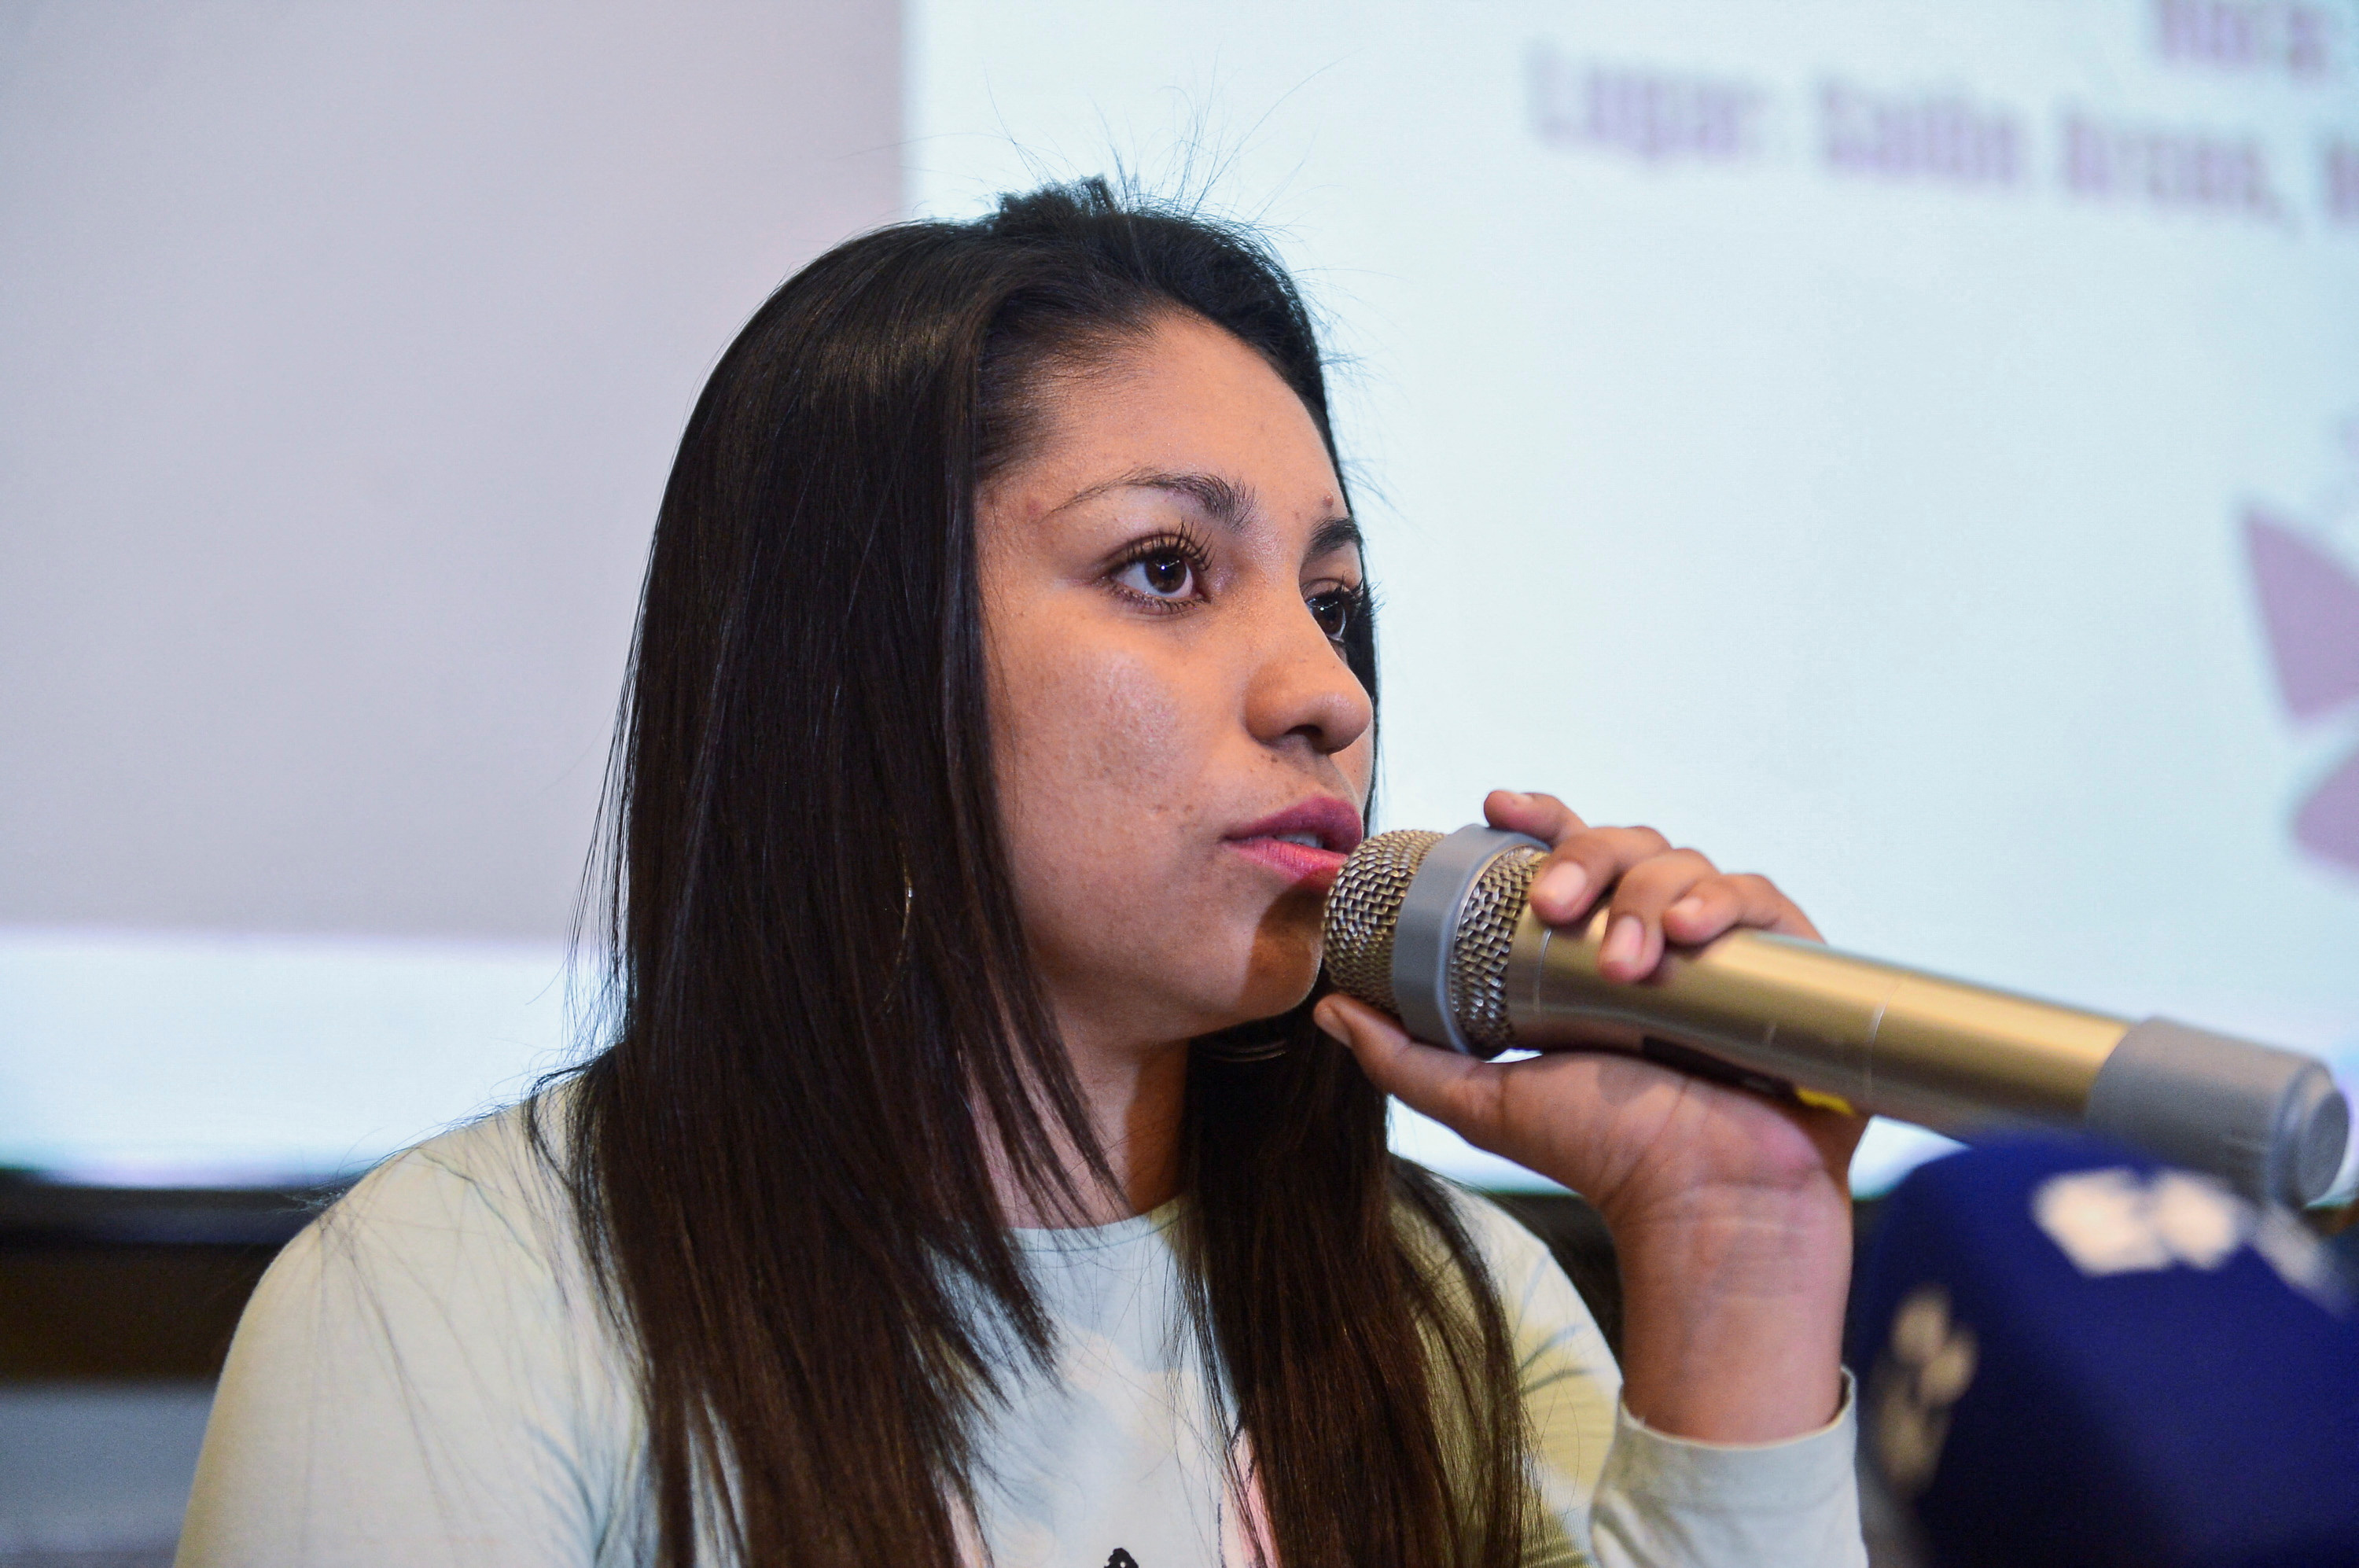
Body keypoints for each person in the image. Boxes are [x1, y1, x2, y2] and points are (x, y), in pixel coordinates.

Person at [177, 179, 1868, 1568]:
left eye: (1333, 602)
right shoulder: (446, 1311)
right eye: (1162, 567)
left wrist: (1741, 1253)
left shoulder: (1447, 1314)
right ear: (862, 658)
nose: (1328, 692)